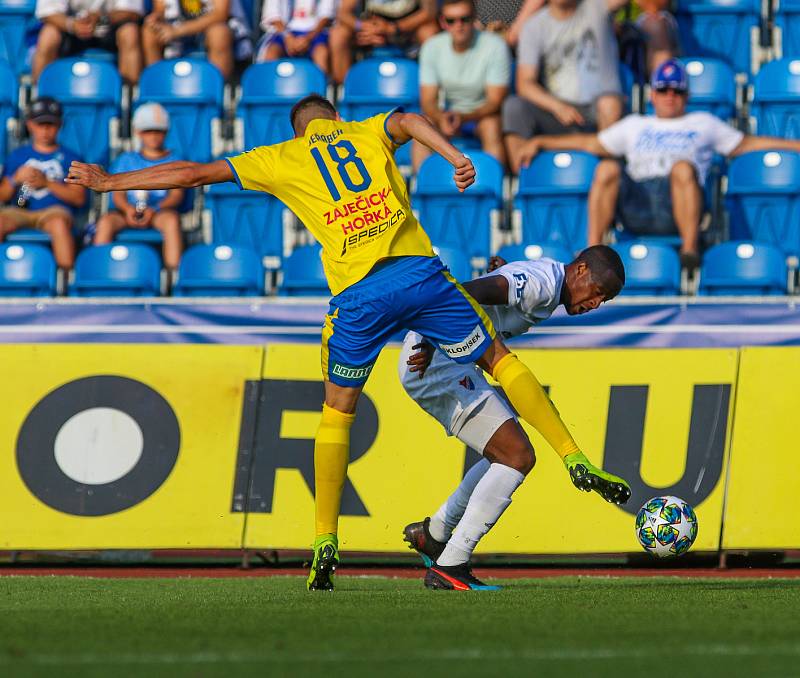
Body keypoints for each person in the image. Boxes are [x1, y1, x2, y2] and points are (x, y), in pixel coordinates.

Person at [66, 94, 629, 594]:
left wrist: (108, 184)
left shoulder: (279, 158)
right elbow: (409, 120)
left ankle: (324, 541)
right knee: (500, 361)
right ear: (335, 118)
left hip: (359, 296)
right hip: (418, 274)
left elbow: (191, 174)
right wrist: (454, 157)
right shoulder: (364, 131)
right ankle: (573, 456)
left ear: (297, 132)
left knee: (337, 413)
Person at [400, 246, 628, 590]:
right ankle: (451, 563)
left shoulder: (547, 282)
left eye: (603, 301)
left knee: (504, 456)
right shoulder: (541, 284)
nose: (594, 304)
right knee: (518, 456)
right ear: (580, 270)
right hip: (433, 362)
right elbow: (460, 292)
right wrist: (432, 336)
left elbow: (502, 289)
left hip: (449, 360)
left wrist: (502, 274)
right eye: (597, 293)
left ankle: (435, 534)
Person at [515, 58, 800, 270]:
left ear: (686, 96)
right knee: (606, 168)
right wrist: (543, 142)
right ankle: (593, 250)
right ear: (652, 94)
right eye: (663, 89)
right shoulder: (635, 124)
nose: (670, 96)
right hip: (637, 201)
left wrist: (794, 146)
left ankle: (690, 251)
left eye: (676, 90)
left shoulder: (703, 123)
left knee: (682, 167)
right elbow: (590, 144)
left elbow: (746, 145)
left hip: (679, 202)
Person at [503, 0, 627, 174]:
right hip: (557, 114)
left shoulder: (597, 7)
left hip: (598, 112)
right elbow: (525, 83)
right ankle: (524, 185)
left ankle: (610, 177)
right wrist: (557, 107)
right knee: (513, 107)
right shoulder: (533, 26)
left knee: (609, 103)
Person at [414, 0, 511, 171]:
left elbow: (494, 102)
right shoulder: (431, 47)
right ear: (443, 22)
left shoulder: (495, 46)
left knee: (491, 126)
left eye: (464, 19)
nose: (458, 26)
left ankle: (496, 188)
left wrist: (463, 117)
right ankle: (420, 189)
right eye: (451, 20)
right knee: (421, 128)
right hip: (448, 115)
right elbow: (428, 101)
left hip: (481, 116)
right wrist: (441, 118)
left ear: (474, 19)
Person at [93, 103, 184, 271]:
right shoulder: (126, 160)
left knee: (171, 221)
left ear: (166, 132)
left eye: (158, 131)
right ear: (138, 132)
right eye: (147, 131)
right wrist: (127, 209)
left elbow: (176, 195)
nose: (153, 136)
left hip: (158, 212)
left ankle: (173, 272)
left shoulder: (175, 160)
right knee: (106, 222)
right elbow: (118, 193)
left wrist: (155, 209)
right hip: (126, 212)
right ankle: (99, 268)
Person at [0, 98, 85, 270]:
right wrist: (15, 178)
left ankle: (65, 279)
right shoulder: (17, 155)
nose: (45, 129)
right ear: (30, 125)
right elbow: (3, 195)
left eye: (50, 124)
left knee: (59, 226)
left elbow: (78, 198)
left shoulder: (71, 158)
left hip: (54, 211)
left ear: (60, 124)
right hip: (20, 211)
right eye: (40, 124)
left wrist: (47, 183)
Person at [33, 0, 144, 84]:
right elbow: (47, 12)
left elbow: (132, 11)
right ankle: (40, 97)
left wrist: (102, 18)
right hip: (70, 30)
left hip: (110, 28)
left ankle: (129, 96)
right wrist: (72, 25)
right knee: (48, 35)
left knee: (130, 32)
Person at [329, 0, 438, 85]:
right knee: (338, 35)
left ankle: (431, 90)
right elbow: (343, 13)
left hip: (407, 30)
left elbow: (429, 12)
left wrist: (394, 28)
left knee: (429, 32)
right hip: (370, 28)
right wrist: (363, 27)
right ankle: (346, 91)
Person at [143, 0, 252, 80]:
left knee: (219, 34)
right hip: (177, 29)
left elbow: (220, 14)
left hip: (216, 26)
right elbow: (161, 9)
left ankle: (218, 94)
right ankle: (157, 90)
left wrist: (178, 31)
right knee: (149, 33)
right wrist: (155, 19)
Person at [256, 0, 335, 74]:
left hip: (315, 32)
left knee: (322, 53)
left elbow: (327, 15)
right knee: (271, 52)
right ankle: (270, 86)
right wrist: (288, 37)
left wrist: (308, 38)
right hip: (283, 32)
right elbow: (272, 15)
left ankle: (322, 86)